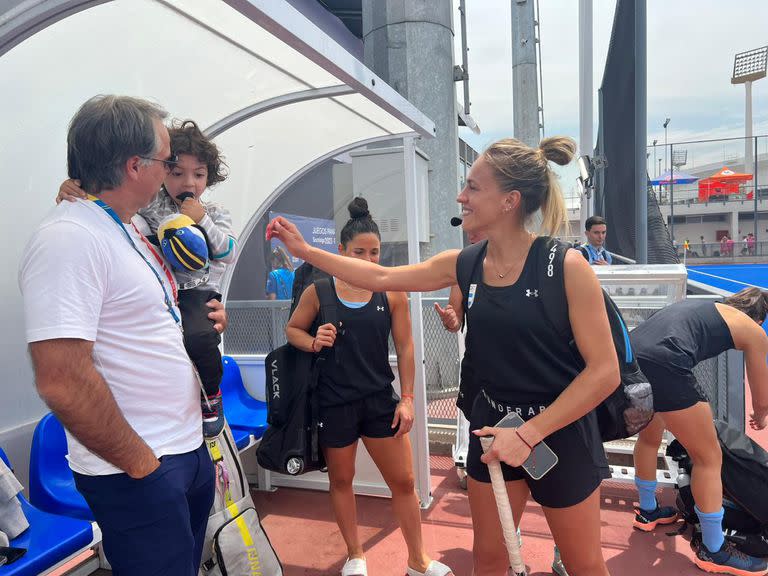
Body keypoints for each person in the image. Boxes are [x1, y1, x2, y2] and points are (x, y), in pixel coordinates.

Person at [270, 137, 619, 576]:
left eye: (473, 187)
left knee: (584, 564)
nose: (460, 196)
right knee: (488, 559)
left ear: (509, 201)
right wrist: (305, 252)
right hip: (492, 430)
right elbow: (381, 274)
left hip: (558, 433)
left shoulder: (566, 267)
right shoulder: (465, 262)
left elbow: (604, 372)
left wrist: (529, 434)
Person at [20, 96, 228, 574]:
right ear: (136, 166)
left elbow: (148, 321)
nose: (172, 172)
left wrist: (213, 318)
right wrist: (140, 464)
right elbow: (62, 380)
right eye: (165, 160)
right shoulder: (70, 238)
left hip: (184, 447)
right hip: (139, 465)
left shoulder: (130, 228)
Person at [286, 198, 453, 576]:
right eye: (358, 251)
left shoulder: (391, 291)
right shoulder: (319, 291)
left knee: (405, 481)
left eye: (374, 252)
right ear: (341, 252)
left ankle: (417, 560)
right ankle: (355, 555)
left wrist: (408, 399)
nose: (367, 259)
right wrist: (313, 341)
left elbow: (406, 347)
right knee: (342, 481)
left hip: (379, 400)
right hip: (334, 401)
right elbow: (293, 330)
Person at [58, 120, 237, 437]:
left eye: (199, 175)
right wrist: (77, 191)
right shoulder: (150, 203)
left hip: (197, 293)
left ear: (210, 177)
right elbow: (116, 214)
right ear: (163, 172)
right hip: (161, 291)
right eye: (177, 172)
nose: (189, 183)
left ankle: (211, 394)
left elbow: (227, 252)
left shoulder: (214, 211)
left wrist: (203, 220)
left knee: (199, 338)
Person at [631, 287, 768, 575]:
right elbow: (762, 398)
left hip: (633, 357)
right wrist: (760, 415)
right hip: (666, 363)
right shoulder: (754, 331)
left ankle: (648, 510)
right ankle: (714, 549)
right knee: (709, 458)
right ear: (759, 319)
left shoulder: (704, 307)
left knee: (649, 438)